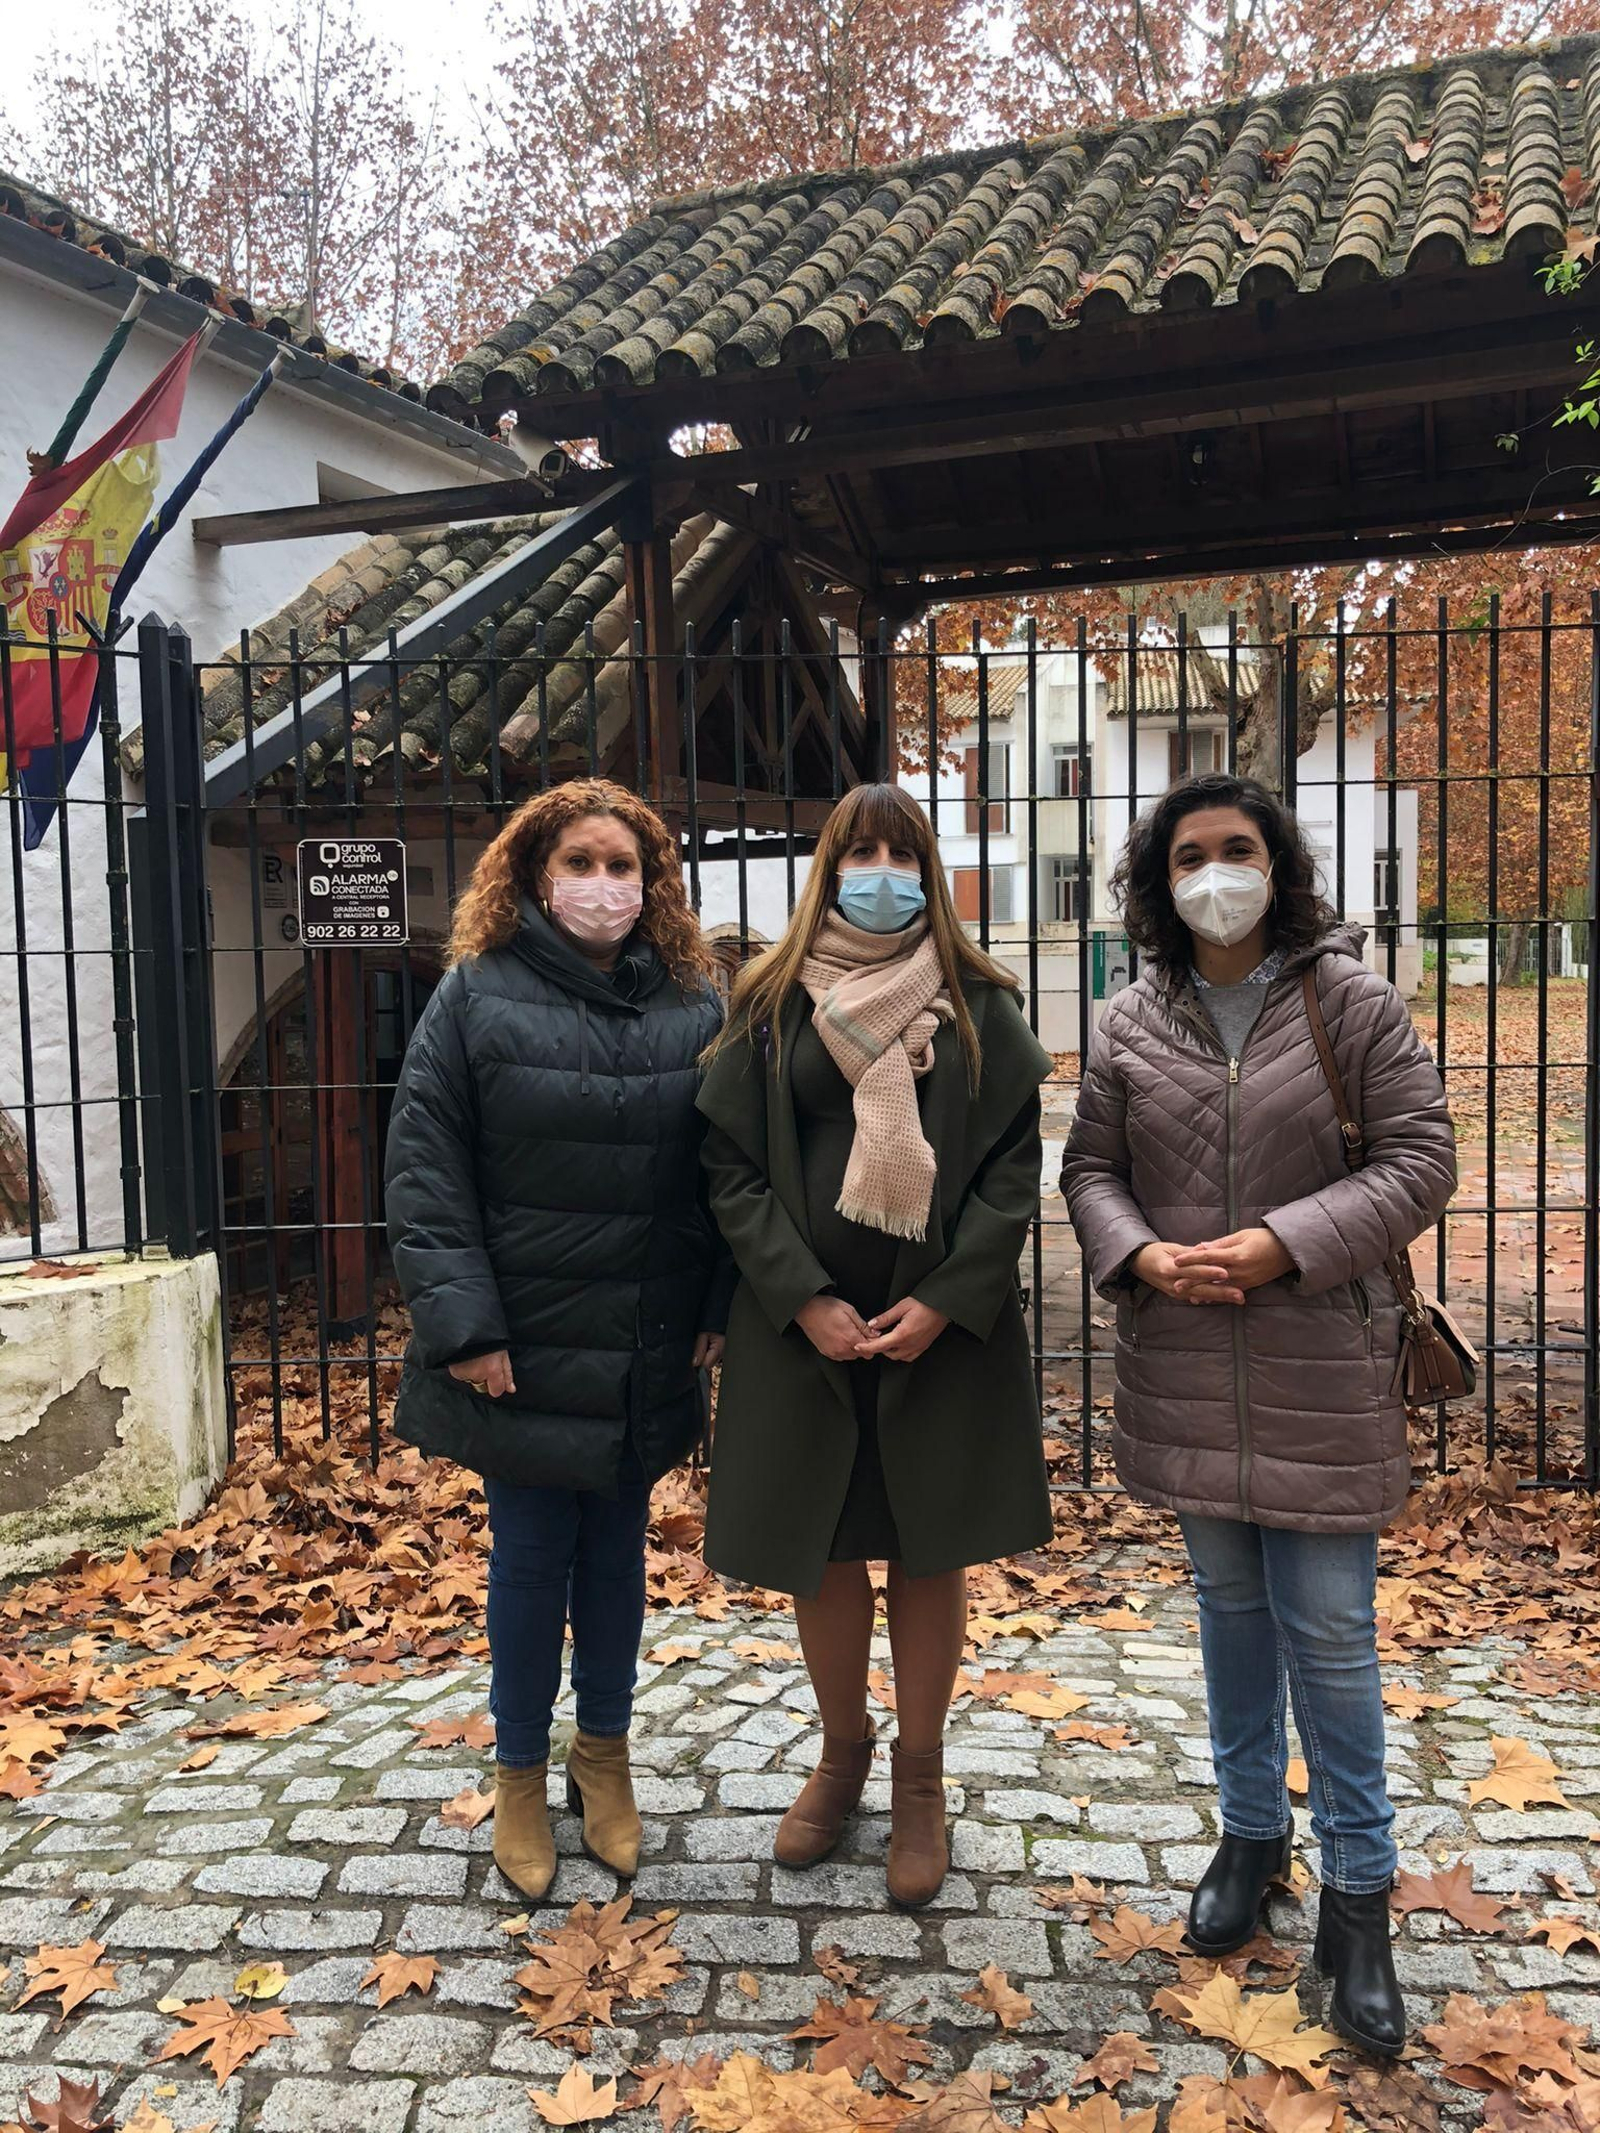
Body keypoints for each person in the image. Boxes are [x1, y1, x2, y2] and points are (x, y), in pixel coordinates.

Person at [1060, 772, 1457, 2058]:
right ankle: (1248, 1837)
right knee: (1229, 1618)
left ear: (1277, 869)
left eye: (1237, 850)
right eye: (1190, 856)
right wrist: (1135, 1254)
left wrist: (1286, 1244)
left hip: (1319, 1358)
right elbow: (1090, 1169)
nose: (1214, 873)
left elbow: (1420, 1159)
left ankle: (1360, 1898)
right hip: (1182, 1358)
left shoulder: (1351, 1001)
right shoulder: (1130, 1018)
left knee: (1331, 1635)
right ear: (1160, 881)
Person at [698, 782, 1054, 1909]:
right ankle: (842, 1750)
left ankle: (918, 1778)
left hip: (937, 1333)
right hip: (804, 1332)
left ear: (930, 868)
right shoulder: (767, 1002)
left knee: (928, 1544)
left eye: (903, 852)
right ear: (828, 867)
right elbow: (728, 1167)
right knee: (826, 1545)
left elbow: (1010, 1171)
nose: (884, 871)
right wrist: (798, 1296)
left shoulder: (979, 1001)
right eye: (861, 852)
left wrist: (949, 1297)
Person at [384, 778, 731, 1902]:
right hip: (521, 1344)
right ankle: (522, 1771)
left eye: (621, 866)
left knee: (619, 1559)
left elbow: (730, 1171)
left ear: (653, 883)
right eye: (578, 863)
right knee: (531, 1561)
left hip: (642, 1336)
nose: (601, 885)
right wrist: (464, 1328)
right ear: (535, 876)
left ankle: (607, 1756)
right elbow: (426, 1171)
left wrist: (715, 1309)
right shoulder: (475, 995)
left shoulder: (694, 1003)